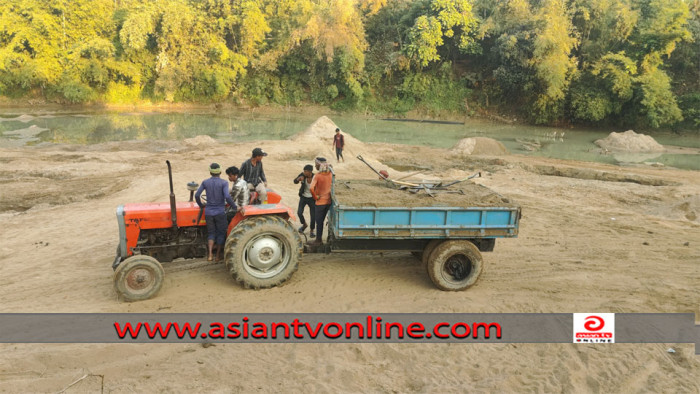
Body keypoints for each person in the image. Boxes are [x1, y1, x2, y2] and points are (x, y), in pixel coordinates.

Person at [195, 163, 236, 262]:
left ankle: (209, 255)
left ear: (210, 172)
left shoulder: (205, 182)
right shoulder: (224, 183)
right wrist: (234, 206)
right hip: (220, 212)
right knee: (221, 233)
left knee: (211, 233)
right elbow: (227, 196)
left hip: (208, 212)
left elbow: (197, 195)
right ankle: (217, 256)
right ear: (220, 172)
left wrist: (201, 205)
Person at [309, 157, 333, 245]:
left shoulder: (317, 176)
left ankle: (318, 240)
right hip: (329, 201)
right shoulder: (331, 174)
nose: (315, 166)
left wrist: (315, 197)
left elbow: (311, 188)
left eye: (316, 164)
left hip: (320, 202)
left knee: (319, 222)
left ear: (319, 165)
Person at [294, 164, 316, 237]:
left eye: (306, 171)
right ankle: (304, 225)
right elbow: (295, 181)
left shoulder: (315, 177)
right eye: (304, 171)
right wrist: (298, 179)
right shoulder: (302, 175)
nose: (304, 172)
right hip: (303, 197)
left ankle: (312, 230)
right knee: (299, 212)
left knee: (313, 216)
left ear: (310, 172)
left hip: (312, 199)